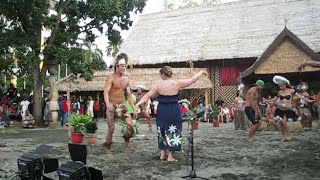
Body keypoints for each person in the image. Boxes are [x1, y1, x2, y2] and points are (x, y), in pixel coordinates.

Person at [135, 66, 207, 162]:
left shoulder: (158, 85)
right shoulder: (177, 83)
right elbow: (193, 80)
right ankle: (170, 156)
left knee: (162, 130)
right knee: (173, 131)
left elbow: (148, 96)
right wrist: (201, 72)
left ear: (163, 74)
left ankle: (163, 153)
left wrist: (138, 104)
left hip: (162, 110)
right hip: (173, 110)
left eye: (160, 74)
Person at [103, 53, 136, 156]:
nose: (124, 68)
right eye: (122, 66)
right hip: (112, 106)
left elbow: (129, 95)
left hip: (122, 106)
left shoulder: (126, 79)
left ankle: (126, 140)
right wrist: (108, 104)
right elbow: (105, 92)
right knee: (111, 128)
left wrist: (134, 108)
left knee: (130, 125)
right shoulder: (111, 78)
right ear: (117, 67)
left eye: (125, 66)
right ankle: (108, 148)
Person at [264, 76, 313, 141]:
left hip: (288, 109)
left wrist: (308, 100)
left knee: (284, 122)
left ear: (285, 84)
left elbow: (300, 96)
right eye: (279, 86)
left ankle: (288, 135)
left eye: (281, 86)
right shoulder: (279, 92)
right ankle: (283, 136)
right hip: (280, 109)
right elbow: (275, 99)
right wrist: (267, 101)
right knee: (281, 123)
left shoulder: (291, 90)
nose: (280, 87)